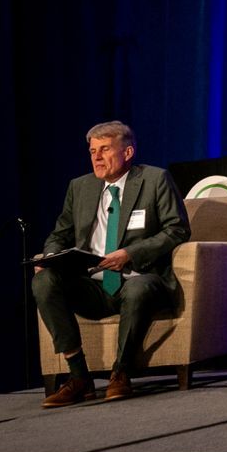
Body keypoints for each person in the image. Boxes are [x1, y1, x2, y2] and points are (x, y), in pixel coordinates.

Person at [32, 121, 191, 405]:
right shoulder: (79, 187)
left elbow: (176, 229)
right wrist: (50, 257)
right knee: (43, 281)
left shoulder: (155, 180)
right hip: (92, 284)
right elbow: (60, 234)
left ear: (128, 152)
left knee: (137, 288)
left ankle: (122, 373)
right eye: (93, 151)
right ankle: (79, 376)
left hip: (138, 277)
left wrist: (130, 254)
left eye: (104, 149)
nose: (96, 157)